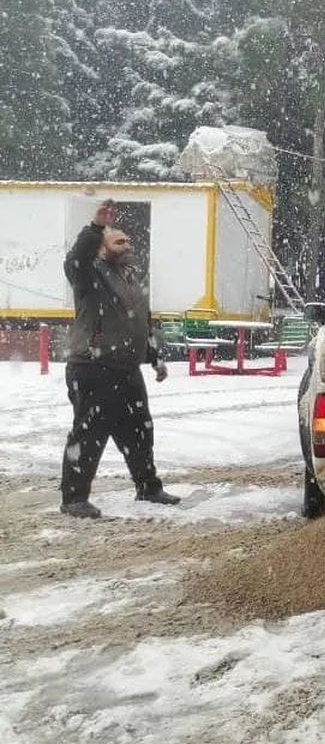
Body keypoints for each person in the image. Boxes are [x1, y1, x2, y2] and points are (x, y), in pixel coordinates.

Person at [59, 199, 180, 518]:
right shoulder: (87, 273)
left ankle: (149, 487)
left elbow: (141, 319)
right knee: (89, 433)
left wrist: (154, 356)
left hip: (125, 367)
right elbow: (77, 258)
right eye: (119, 241)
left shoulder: (129, 275)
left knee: (140, 429)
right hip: (92, 365)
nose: (127, 245)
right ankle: (74, 499)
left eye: (128, 240)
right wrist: (95, 227)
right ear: (101, 248)